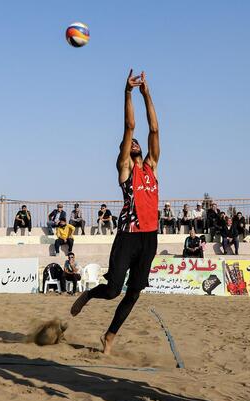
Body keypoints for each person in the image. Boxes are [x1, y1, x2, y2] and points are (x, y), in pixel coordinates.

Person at [71, 69, 160, 356]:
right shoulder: (125, 169)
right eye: (129, 144)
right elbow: (131, 127)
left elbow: (154, 130)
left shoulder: (151, 167)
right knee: (112, 291)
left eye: (136, 144)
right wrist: (128, 92)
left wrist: (148, 94)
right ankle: (89, 294)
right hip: (128, 236)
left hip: (150, 237)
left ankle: (110, 336)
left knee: (134, 293)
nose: (134, 144)